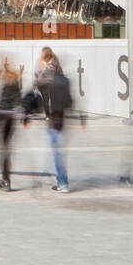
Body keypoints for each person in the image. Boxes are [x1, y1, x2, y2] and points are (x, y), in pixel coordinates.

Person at [40, 64, 74, 193]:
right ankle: (62, 180)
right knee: (60, 153)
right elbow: (70, 101)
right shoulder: (65, 81)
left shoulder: (52, 84)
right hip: (63, 120)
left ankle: (62, 183)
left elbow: (48, 103)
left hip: (55, 121)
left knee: (57, 154)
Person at [0, 62, 22, 191]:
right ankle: (6, 178)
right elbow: (19, 102)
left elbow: (0, 103)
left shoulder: (5, 87)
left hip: (1, 116)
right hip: (11, 117)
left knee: (3, 150)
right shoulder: (16, 86)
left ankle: (5, 180)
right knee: (7, 148)